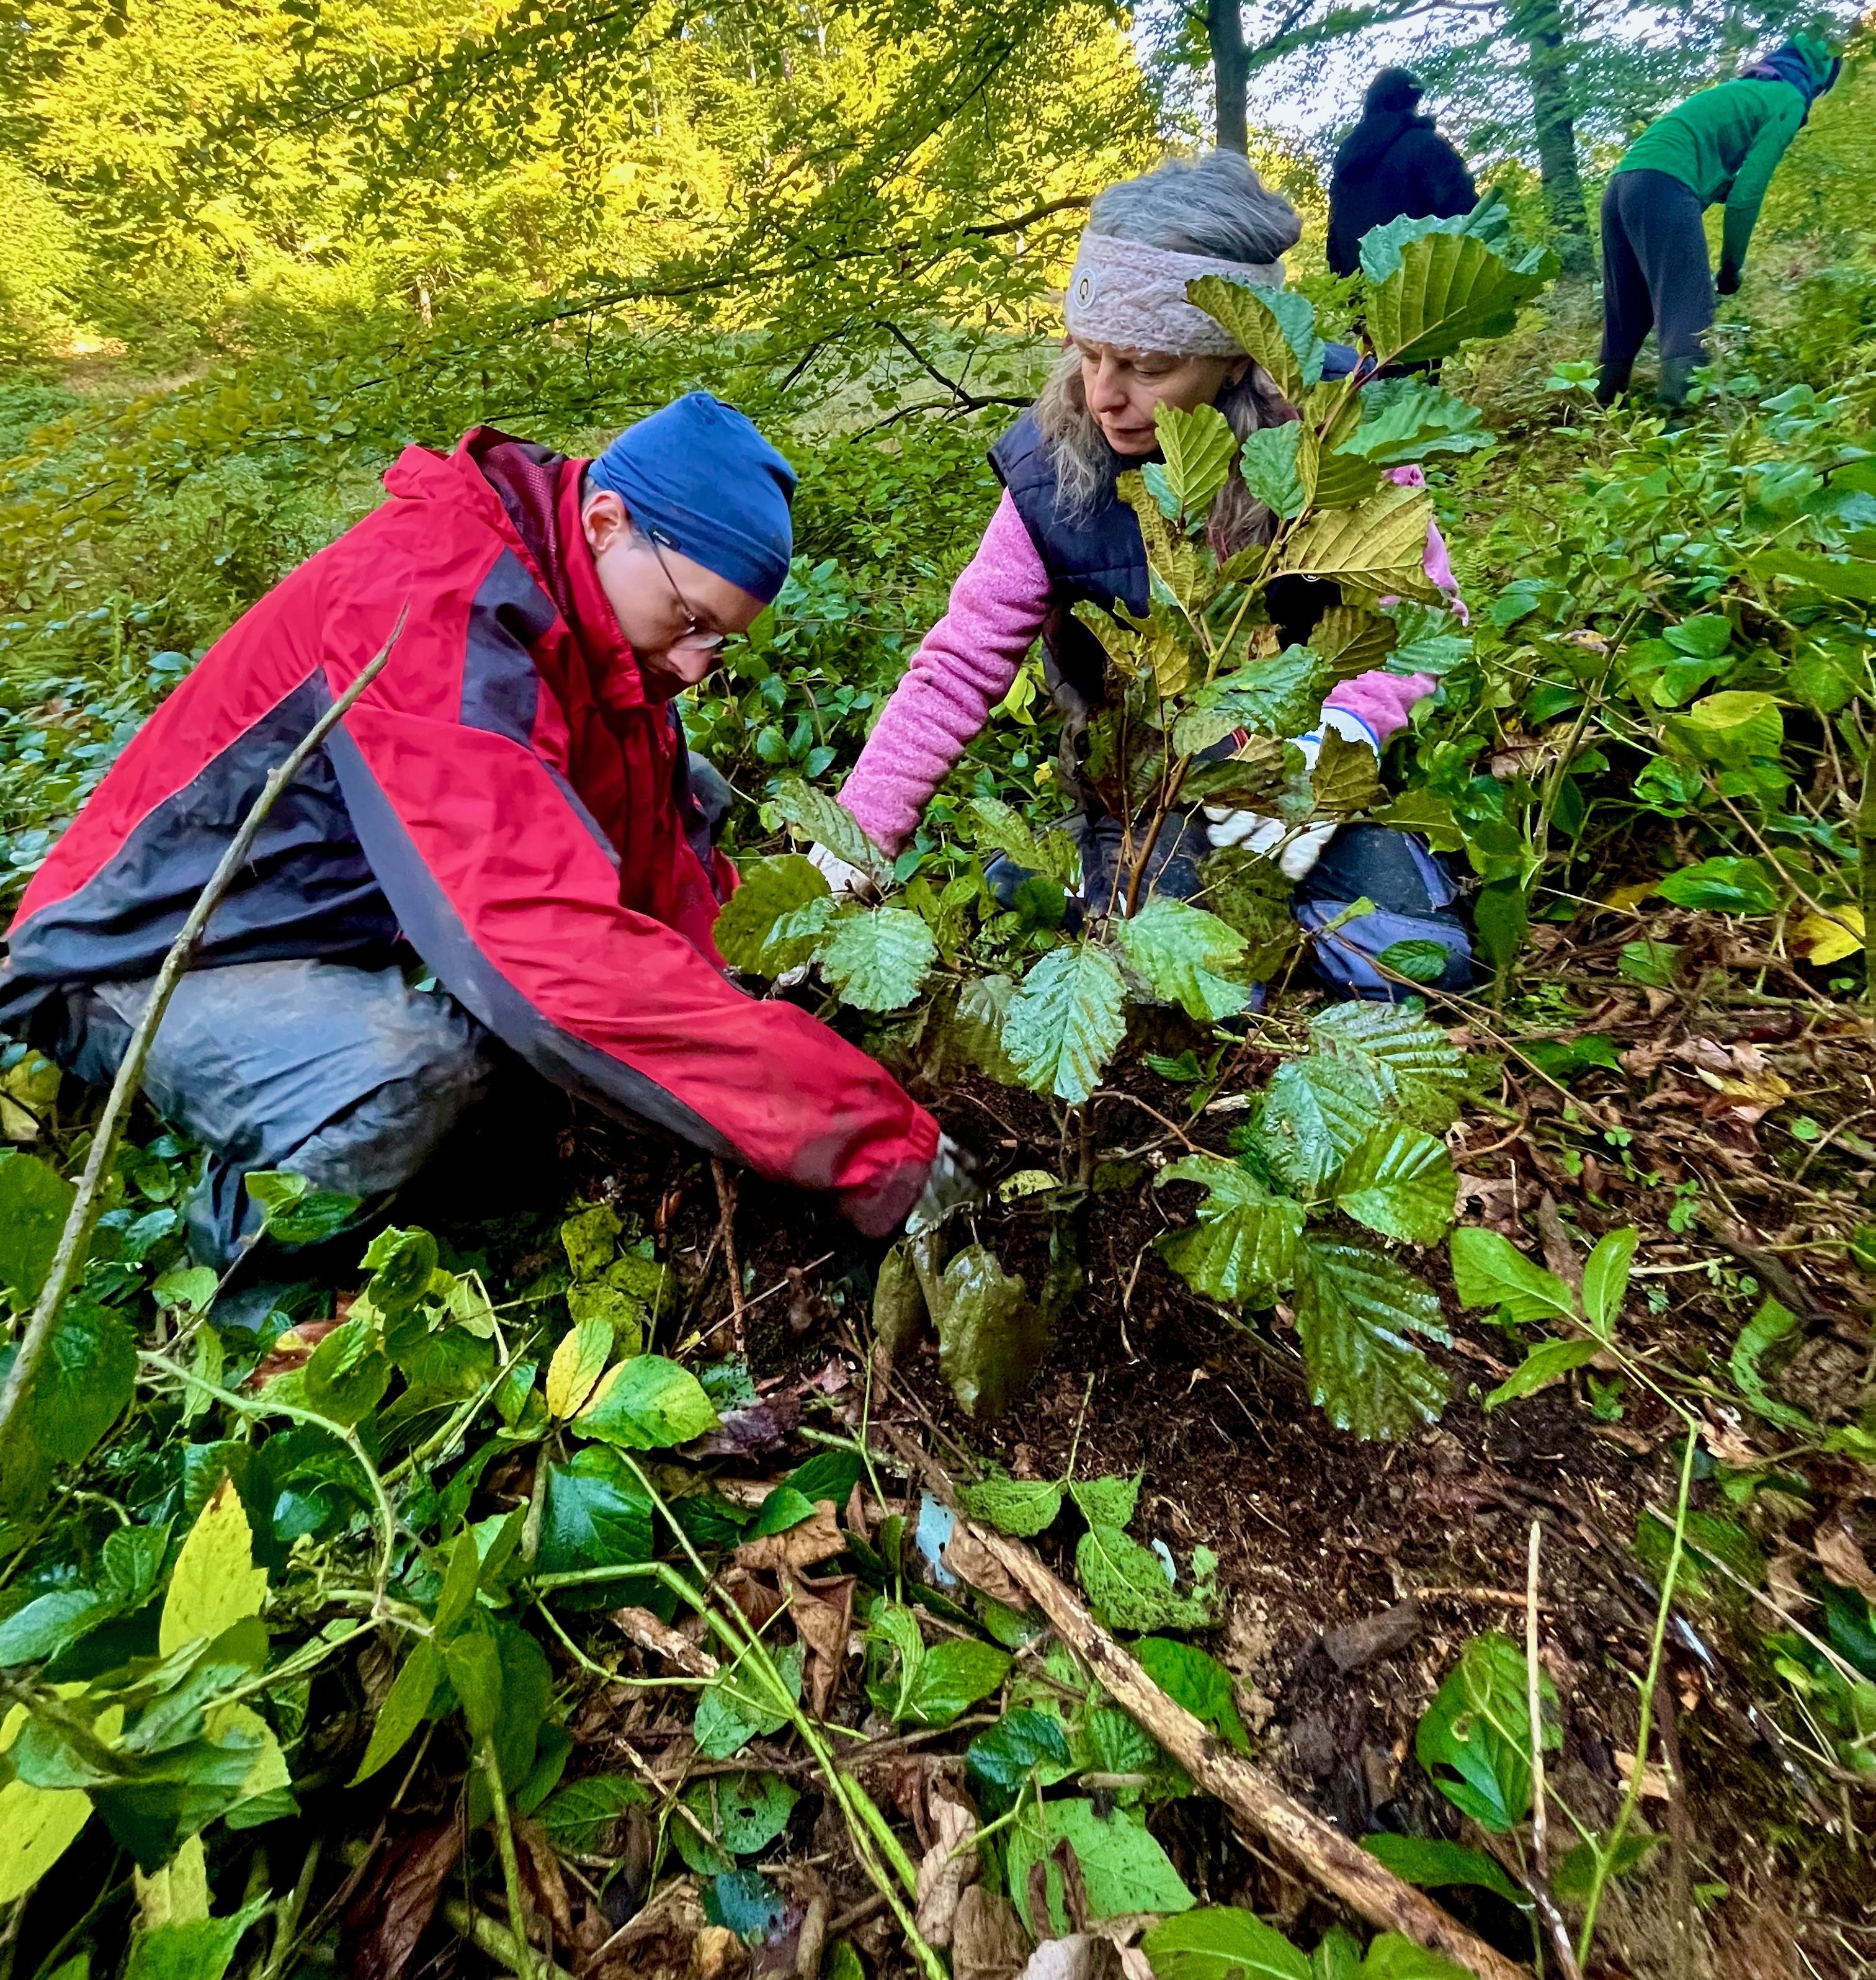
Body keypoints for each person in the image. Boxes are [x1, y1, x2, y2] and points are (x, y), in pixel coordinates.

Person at [0, 394, 946, 1288]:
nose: (698, 663)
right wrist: (866, 1142)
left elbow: (654, 865)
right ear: (606, 524)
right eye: (691, 620)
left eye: (722, 640)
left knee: (681, 791)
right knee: (414, 1072)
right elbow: (541, 948)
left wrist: (737, 1018)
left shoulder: (591, 625)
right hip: (144, 956)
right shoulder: (430, 599)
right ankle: (255, 1288)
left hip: (313, 934)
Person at [818, 153, 1475, 997]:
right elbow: (959, 666)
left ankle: (1087, 896)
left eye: (1149, 367)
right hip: (1144, 787)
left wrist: (1336, 742)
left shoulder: (1342, 431)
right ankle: (1075, 880)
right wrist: (852, 840)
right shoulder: (1054, 468)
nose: (1102, 395)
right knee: (1190, 989)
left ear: (1240, 359)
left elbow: (1428, 618)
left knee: (1424, 964)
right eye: (1088, 353)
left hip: (1301, 777)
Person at [1597, 33, 1841, 413]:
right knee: (1687, 304)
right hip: (1665, 180)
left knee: (1628, 308)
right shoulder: (1788, 98)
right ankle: (1679, 419)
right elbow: (1748, 194)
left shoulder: (1744, 91)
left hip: (1622, 183)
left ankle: (1599, 409)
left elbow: (1711, 161)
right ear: (1819, 79)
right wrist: (1731, 267)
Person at [1326, 68, 1478, 278]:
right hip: (1419, 286)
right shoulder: (1427, 146)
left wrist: (1342, 288)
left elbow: (1335, 240)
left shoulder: (1346, 165)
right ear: (1412, 101)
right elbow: (1464, 216)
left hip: (1360, 293)